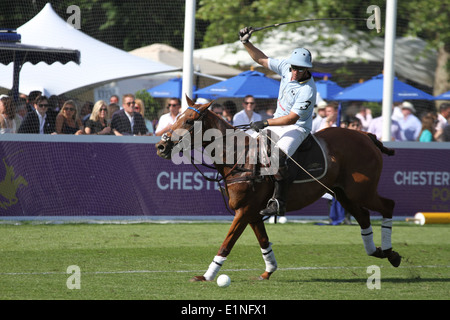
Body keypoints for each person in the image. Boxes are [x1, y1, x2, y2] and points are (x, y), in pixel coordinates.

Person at [240, 27, 317, 216]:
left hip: (297, 128)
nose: (295, 71)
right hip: (276, 122)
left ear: (307, 69)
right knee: (244, 145)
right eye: (293, 67)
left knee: (278, 156)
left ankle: (278, 202)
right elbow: (261, 59)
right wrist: (246, 43)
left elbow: (292, 118)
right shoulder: (285, 66)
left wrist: (266, 123)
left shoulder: (307, 89)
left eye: (300, 68)